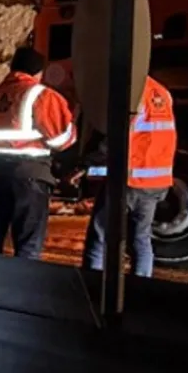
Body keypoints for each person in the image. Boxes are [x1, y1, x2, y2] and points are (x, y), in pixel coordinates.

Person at [0, 47, 76, 259]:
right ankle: (23, 279)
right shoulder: (42, 96)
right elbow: (61, 141)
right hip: (29, 176)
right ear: (39, 72)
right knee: (27, 246)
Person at [76, 75, 176, 278]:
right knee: (141, 238)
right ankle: (141, 287)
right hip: (156, 180)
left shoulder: (130, 92)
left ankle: (90, 285)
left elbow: (113, 135)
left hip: (128, 179)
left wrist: (86, 164)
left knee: (100, 236)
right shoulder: (162, 92)